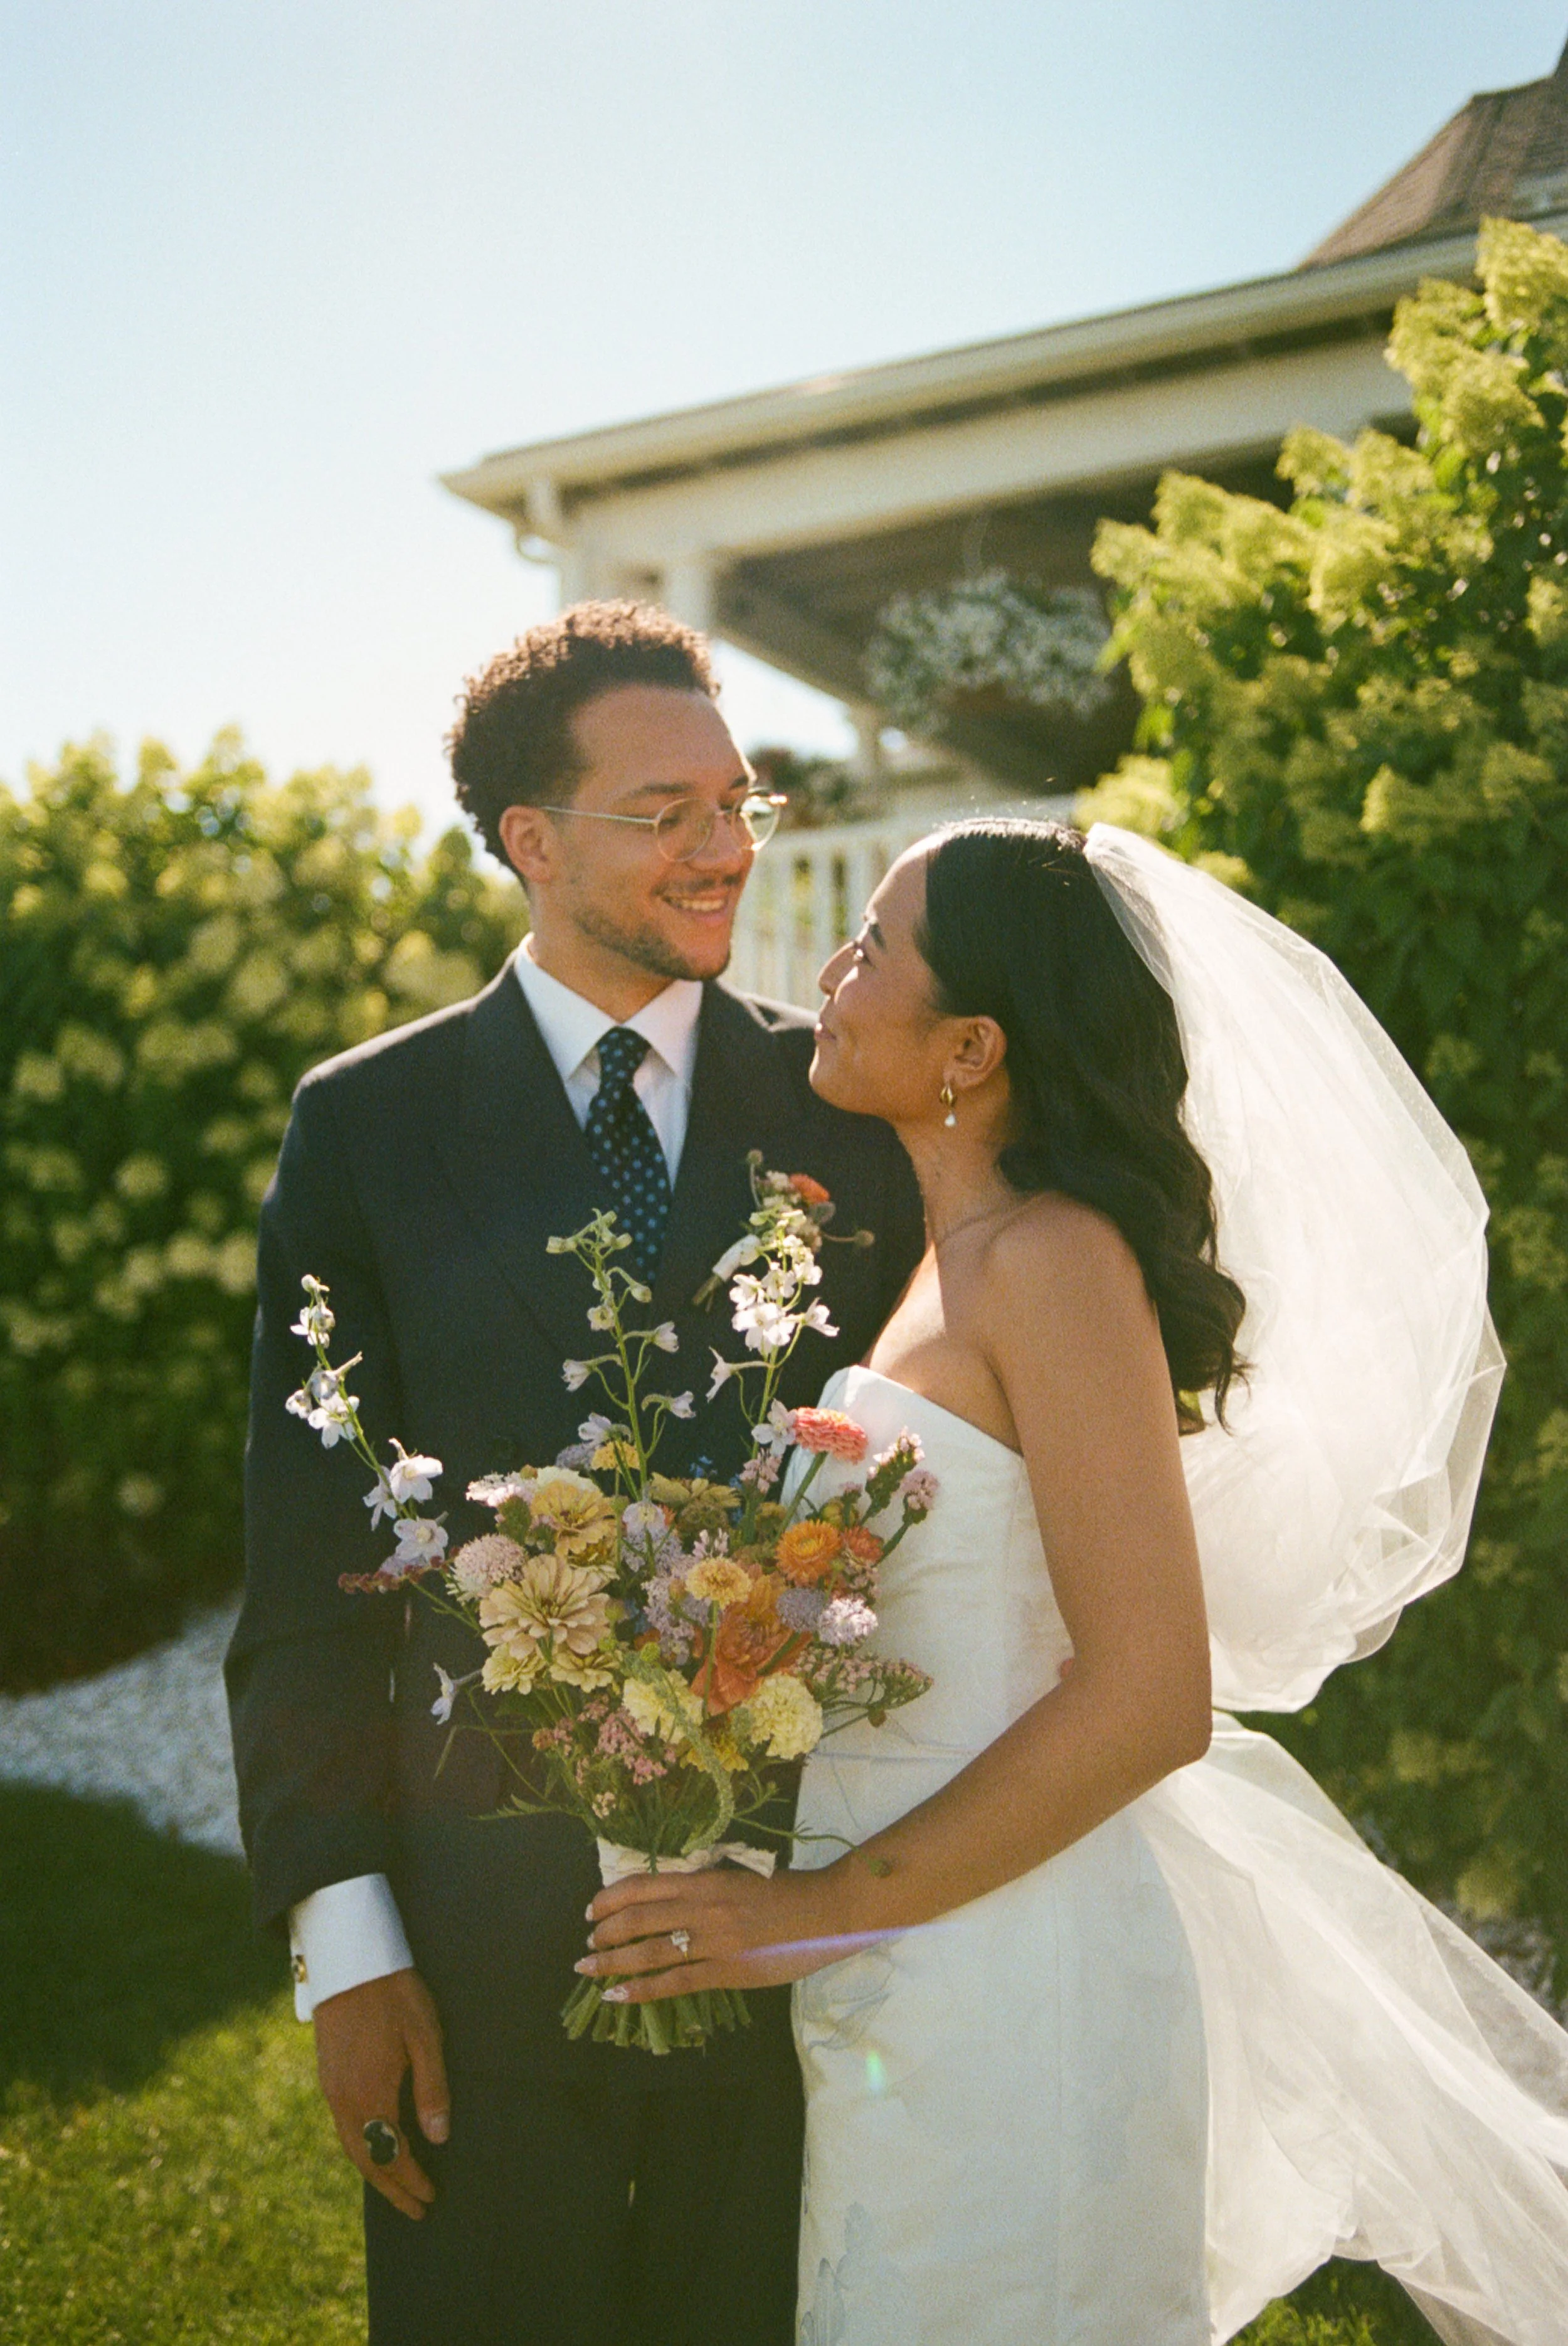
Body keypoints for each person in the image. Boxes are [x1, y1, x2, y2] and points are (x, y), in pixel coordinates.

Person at [585, 818, 1568, 2346]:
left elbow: (1147, 1697)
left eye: (874, 947)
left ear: (970, 1044)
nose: (830, 974)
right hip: (912, 1965)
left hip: (1010, 1973)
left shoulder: (1051, 1262)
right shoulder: (945, 1263)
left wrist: (819, 1907)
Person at [225, 602, 924, 2346]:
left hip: (800, 1921)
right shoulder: (363, 1127)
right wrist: (348, 1940)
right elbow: (307, 1548)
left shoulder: (850, 1107)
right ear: (531, 841)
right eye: (665, 810)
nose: (725, 849)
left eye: (738, 801)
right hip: (476, 1937)